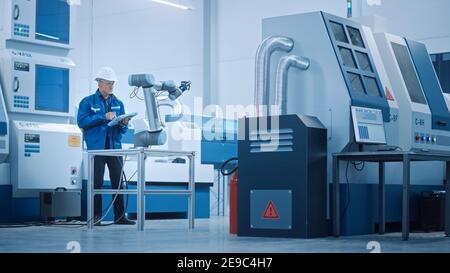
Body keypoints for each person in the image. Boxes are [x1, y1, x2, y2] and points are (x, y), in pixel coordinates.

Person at [77, 67, 135, 225]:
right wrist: (103, 117)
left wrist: (123, 124)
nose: (111, 86)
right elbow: (82, 121)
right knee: (97, 183)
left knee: (118, 183)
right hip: (97, 148)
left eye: (113, 83)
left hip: (114, 148)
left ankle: (120, 216)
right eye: (108, 83)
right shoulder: (87, 102)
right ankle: (96, 217)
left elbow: (123, 130)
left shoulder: (118, 103)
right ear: (99, 83)